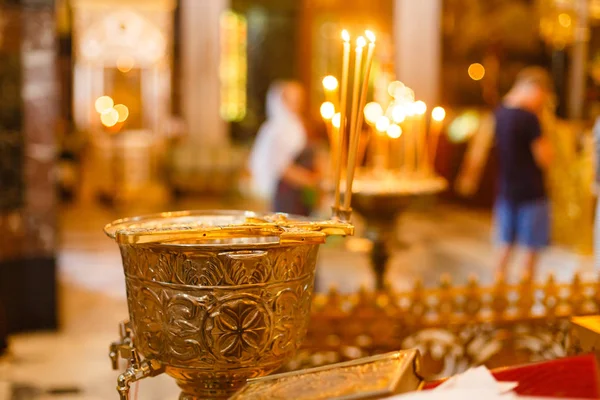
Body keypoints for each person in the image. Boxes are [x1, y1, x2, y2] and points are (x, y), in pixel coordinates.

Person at [493, 67, 554, 281]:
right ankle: (525, 298)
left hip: (506, 189)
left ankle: (497, 291)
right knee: (530, 251)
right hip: (531, 192)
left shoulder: (500, 112)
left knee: (504, 246)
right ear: (534, 89)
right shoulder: (530, 118)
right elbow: (544, 158)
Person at [248, 81, 322, 216]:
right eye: (293, 99)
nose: (298, 103)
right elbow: (282, 167)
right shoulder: (277, 130)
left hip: (299, 193)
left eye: (299, 99)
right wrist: (312, 182)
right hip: (286, 194)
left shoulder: (297, 125)